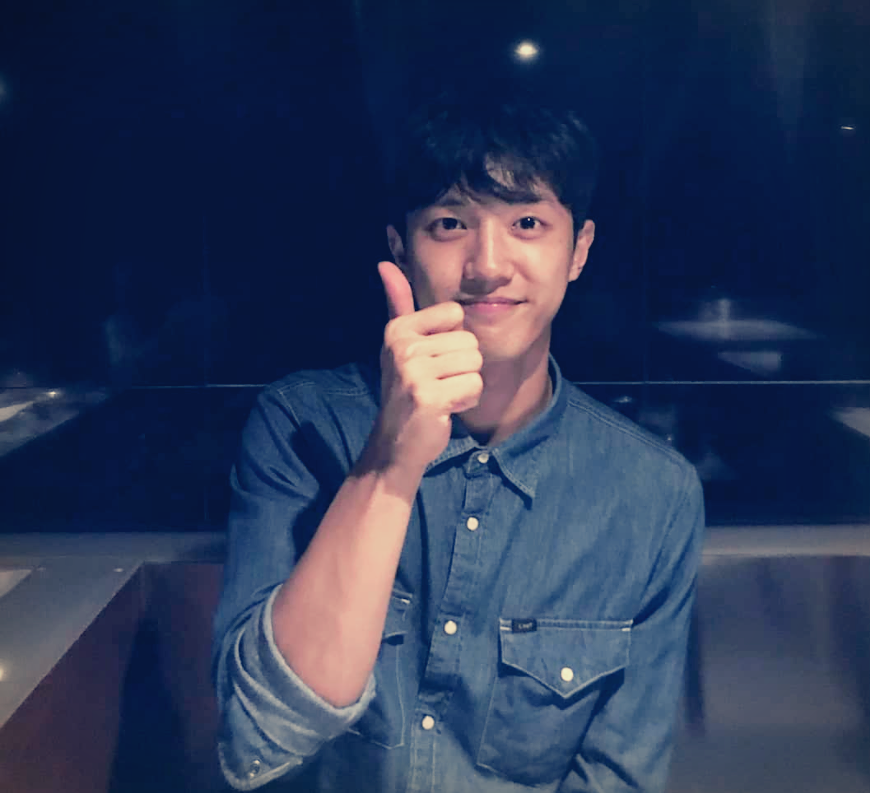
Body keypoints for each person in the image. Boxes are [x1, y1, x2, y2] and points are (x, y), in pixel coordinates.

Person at [212, 87, 705, 792]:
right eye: (449, 224)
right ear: (400, 248)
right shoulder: (300, 426)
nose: (488, 264)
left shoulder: (653, 492)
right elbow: (257, 741)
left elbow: (619, 777)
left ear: (579, 250)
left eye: (528, 222)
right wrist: (389, 462)